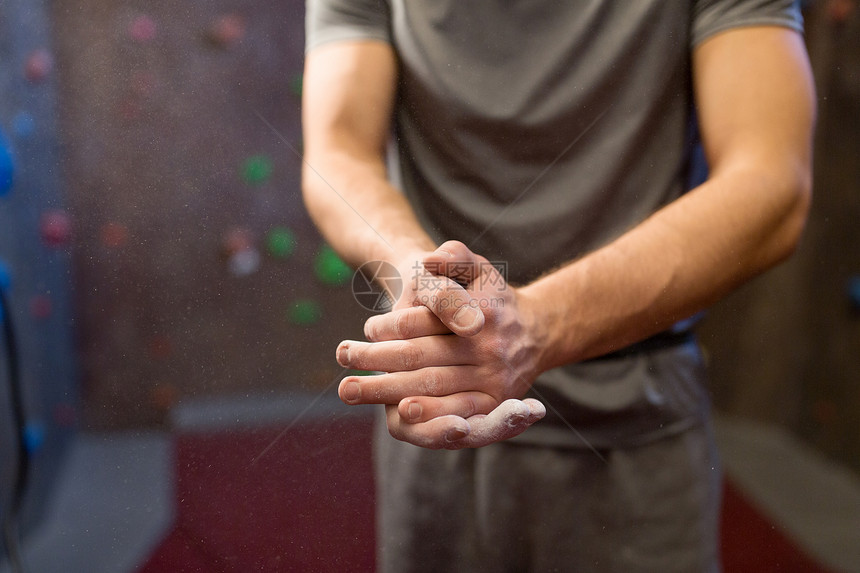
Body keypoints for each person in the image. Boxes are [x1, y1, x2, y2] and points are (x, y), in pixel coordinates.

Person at [301, 1, 815, 571]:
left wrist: (532, 325)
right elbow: (337, 148)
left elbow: (772, 182)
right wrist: (416, 270)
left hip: (636, 423)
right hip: (438, 405)